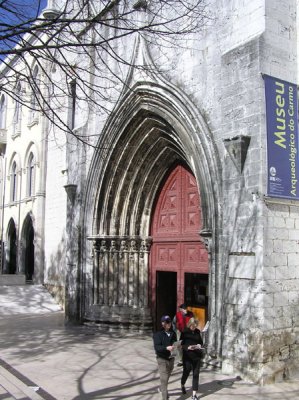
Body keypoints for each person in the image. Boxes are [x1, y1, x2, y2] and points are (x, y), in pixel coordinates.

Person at [153, 315, 177, 400]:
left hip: (171, 358)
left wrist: (177, 346)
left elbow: (174, 343)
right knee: (164, 379)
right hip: (162, 359)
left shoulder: (173, 333)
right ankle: (165, 397)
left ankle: (162, 388)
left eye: (169, 322)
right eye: (166, 322)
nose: (168, 324)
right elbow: (157, 347)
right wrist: (166, 348)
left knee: (166, 378)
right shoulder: (157, 334)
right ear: (162, 323)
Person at [180, 318, 204, 400]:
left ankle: (194, 395)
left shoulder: (197, 331)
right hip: (187, 356)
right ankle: (182, 384)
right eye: (192, 326)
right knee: (186, 371)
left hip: (197, 355)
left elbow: (201, 342)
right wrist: (188, 347)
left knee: (196, 374)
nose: (194, 327)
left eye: (195, 326)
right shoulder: (184, 332)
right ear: (189, 324)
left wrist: (199, 345)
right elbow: (180, 344)